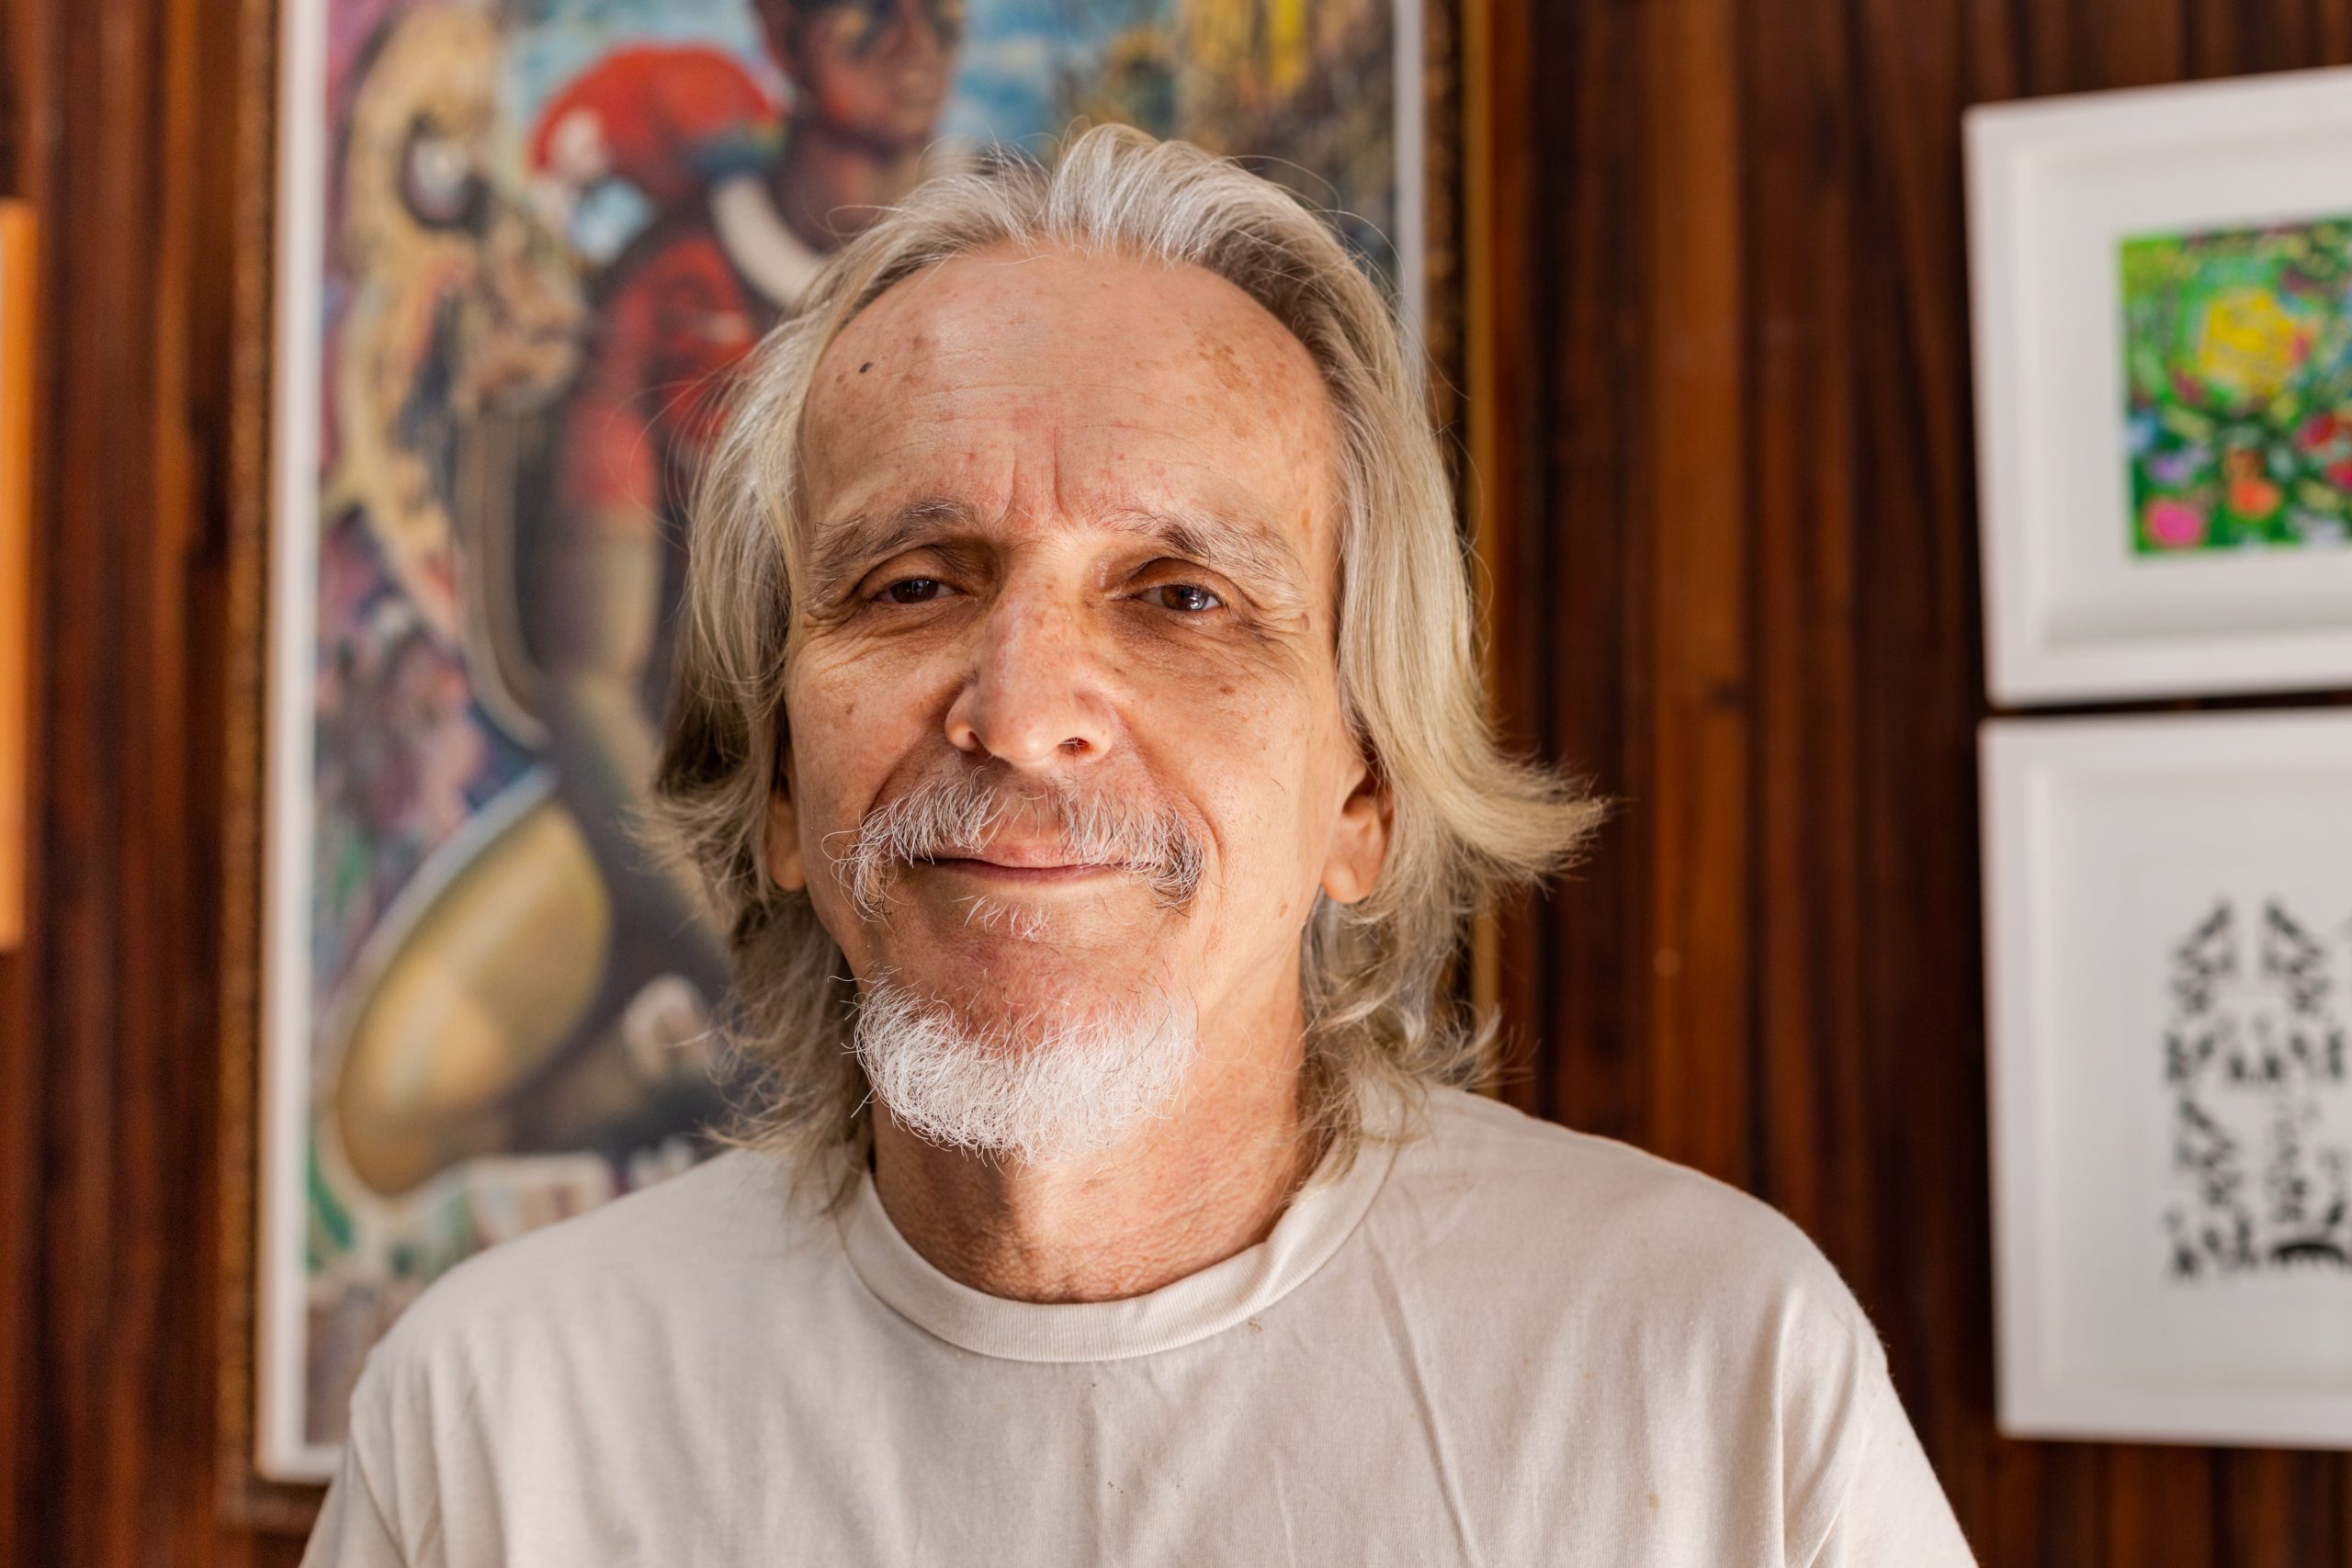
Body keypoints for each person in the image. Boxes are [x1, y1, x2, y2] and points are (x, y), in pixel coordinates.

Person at [300, 125, 1978, 1565]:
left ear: (1365, 795)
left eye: (1183, 598)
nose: (1025, 712)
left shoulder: (1710, 1379)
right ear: (782, 788)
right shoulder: (496, 1427)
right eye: (912, 583)